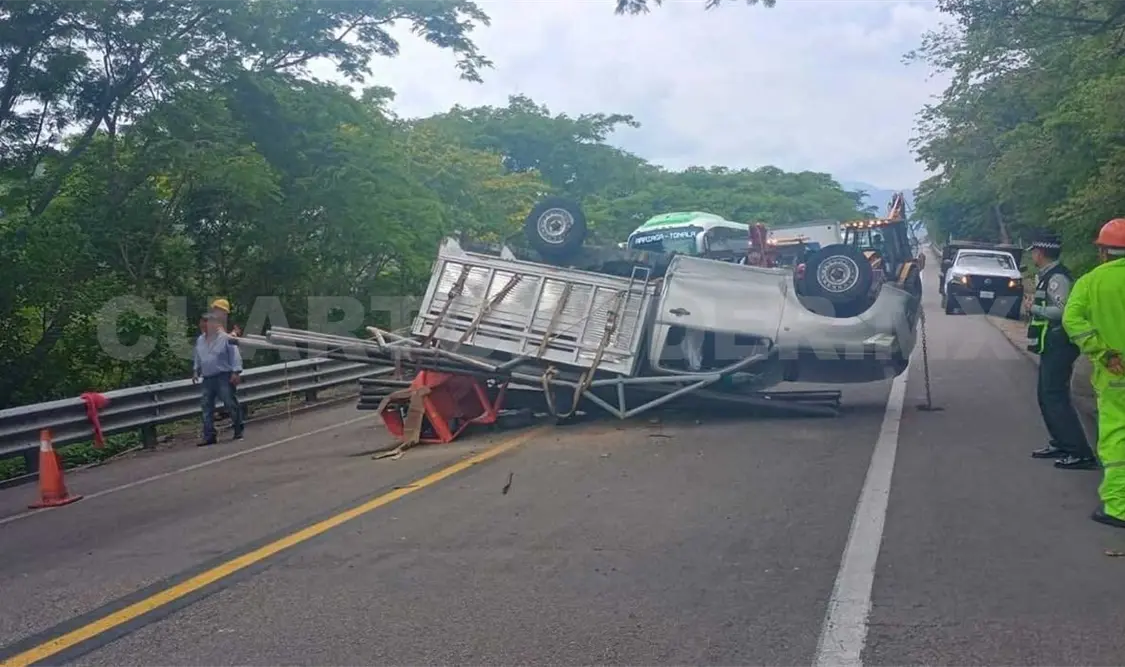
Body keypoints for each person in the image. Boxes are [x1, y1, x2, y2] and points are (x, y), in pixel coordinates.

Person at [1062, 218, 1125, 528]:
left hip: (1115, 375)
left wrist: (1103, 352)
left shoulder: (1091, 282)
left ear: (1103, 252)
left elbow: (1072, 320)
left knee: (1115, 438)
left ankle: (1118, 508)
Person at [1025, 232, 1098, 469]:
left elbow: (1064, 312)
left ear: (1041, 252)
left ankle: (1079, 451)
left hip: (1060, 344)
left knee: (1054, 396)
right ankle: (1061, 442)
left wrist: (1034, 308)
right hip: (1052, 343)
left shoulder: (1057, 279)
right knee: (1046, 395)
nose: (1032, 255)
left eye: (1034, 251)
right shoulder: (1048, 276)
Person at [192, 311, 244, 446]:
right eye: (202, 324)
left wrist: (236, 371)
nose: (203, 327)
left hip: (223, 375)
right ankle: (209, 435)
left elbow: (235, 355)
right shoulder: (200, 340)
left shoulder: (225, 338)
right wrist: (195, 370)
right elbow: (198, 356)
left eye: (206, 323)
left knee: (230, 403)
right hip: (208, 377)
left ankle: (238, 428)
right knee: (206, 407)